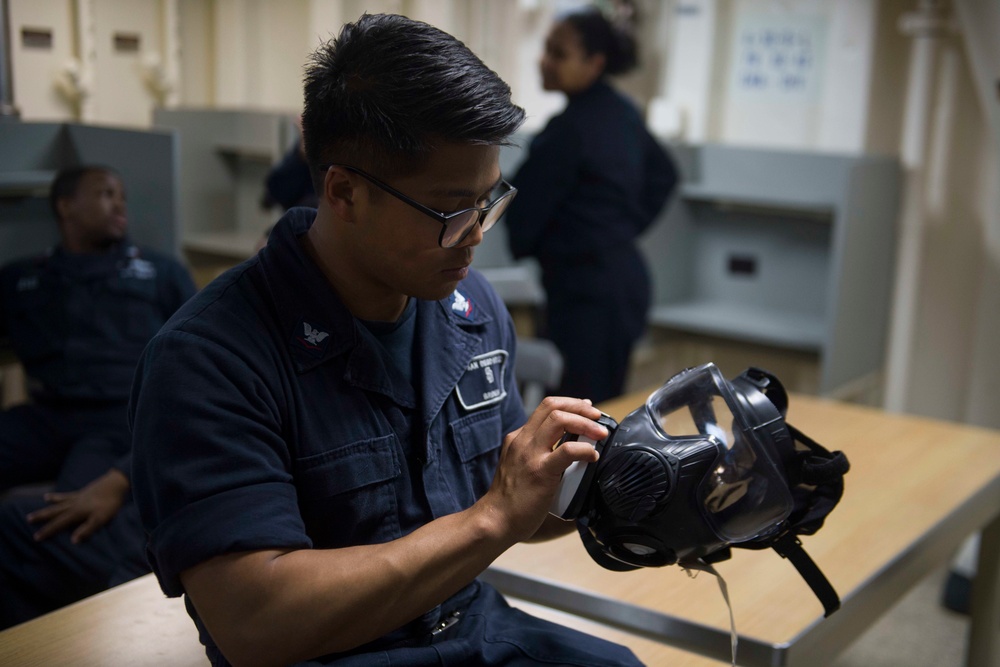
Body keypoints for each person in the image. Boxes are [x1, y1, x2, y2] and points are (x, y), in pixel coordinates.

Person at [130, 13, 644, 667]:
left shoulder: (470, 309)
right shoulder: (209, 360)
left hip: (468, 627)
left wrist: (624, 491)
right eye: (454, 210)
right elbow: (253, 621)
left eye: (489, 201)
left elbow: (514, 500)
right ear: (344, 192)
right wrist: (492, 516)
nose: (477, 234)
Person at [0, 165, 197, 628]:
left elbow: (196, 369)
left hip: (118, 421)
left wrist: (123, 474)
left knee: (58, 529)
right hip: (47, 414)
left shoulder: (160, 272)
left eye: (122, 194)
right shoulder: (23, 278)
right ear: (66, 206)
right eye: (106, 194)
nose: (120, 204)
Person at [505, 5, 679, 404]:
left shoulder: (569, 131)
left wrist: (578, 237)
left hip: (587, 296)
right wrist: (620, 230)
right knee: (595, 404)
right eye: (545, 49)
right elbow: (664, 175)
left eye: (558, 54)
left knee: (578, 413)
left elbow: (526, 213)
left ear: (595, 62)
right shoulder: (621, 114)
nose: (544, 61)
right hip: (619, 284)